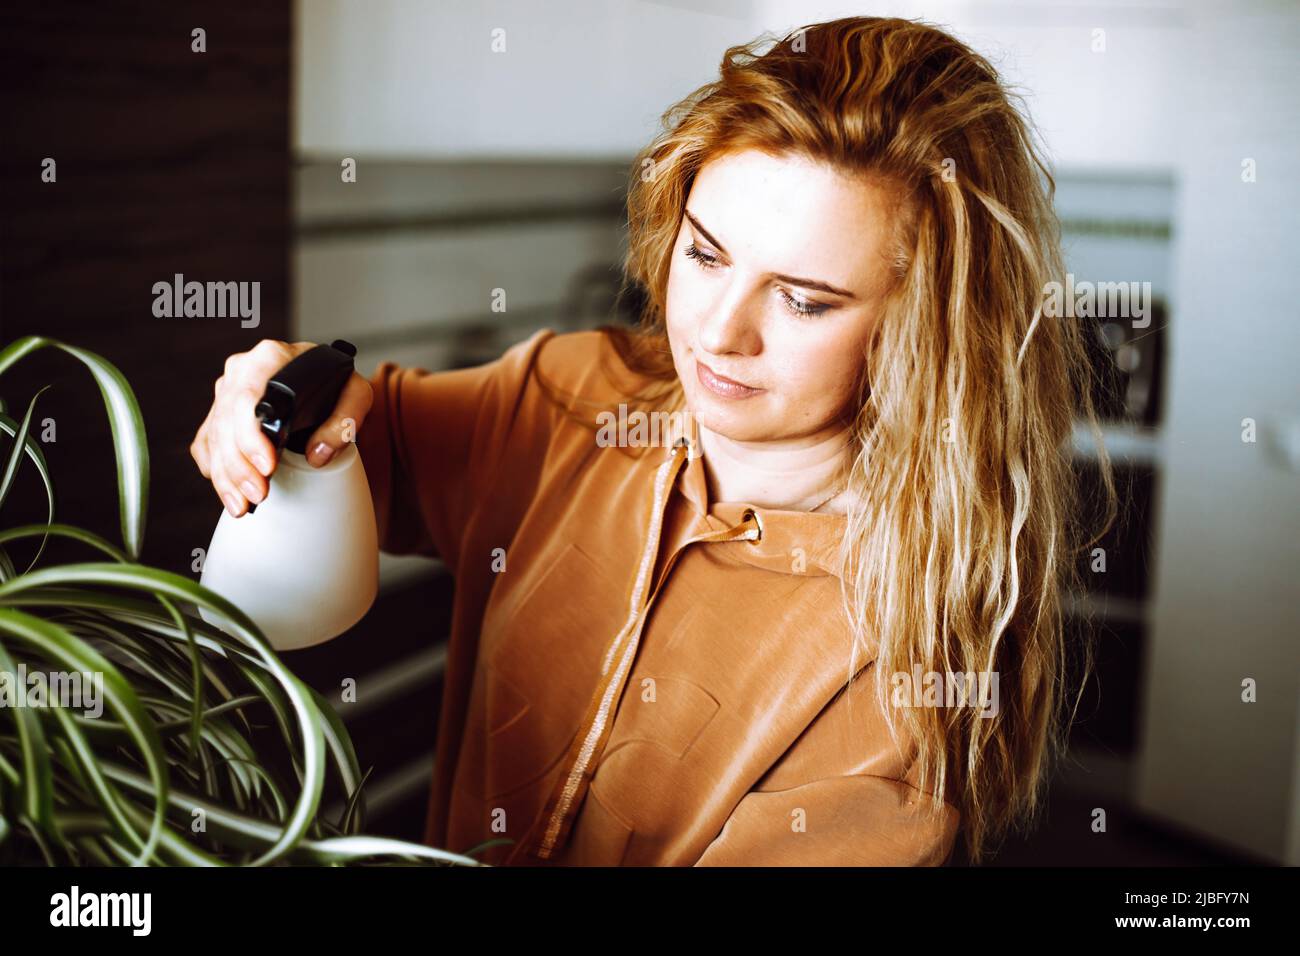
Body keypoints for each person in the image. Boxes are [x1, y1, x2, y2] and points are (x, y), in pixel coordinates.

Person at [190, 15, 1114, 866]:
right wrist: (281, 406)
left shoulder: (902, 674)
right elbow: (363, 438)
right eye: (707, 253)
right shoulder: (572, 394)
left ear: (928, 325)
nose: (718, 333)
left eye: (801, 300)